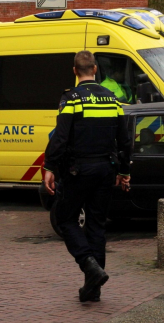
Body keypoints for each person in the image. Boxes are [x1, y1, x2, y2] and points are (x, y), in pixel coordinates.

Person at [43, 50, 132, 303]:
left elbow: (60, 137)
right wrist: (124, 172)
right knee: (96, 225)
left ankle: (88, 265)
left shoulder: (72, 99)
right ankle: (93, 289)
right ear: (95, 70)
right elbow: (125, 141)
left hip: (78, 171)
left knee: (66, 219)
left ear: (75, 71)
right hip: (106, 170)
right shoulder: (113, 99)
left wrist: (49, 167)